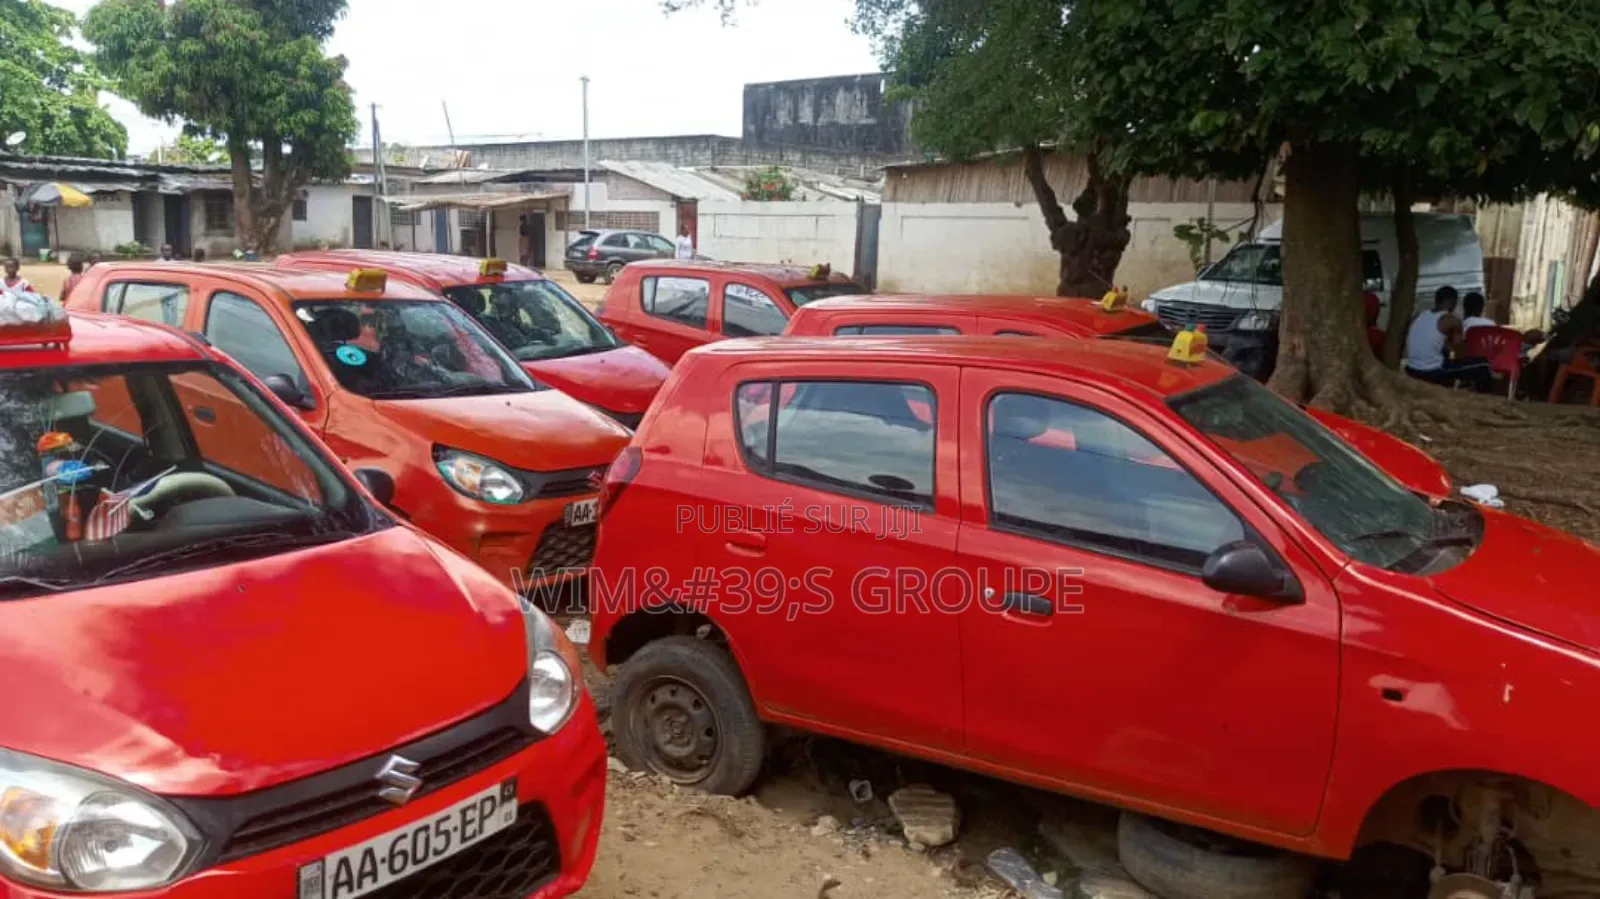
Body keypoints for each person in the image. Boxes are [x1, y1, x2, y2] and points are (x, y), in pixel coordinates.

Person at [1404, 286, 1493, 392]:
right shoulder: (1452, 320)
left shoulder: (1420, 315)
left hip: (1411, 369)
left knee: (1446, 356)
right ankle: (1485, 399)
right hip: (1432, 372)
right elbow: (1460, 354)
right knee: (1483, 364)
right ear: (1451, 301)